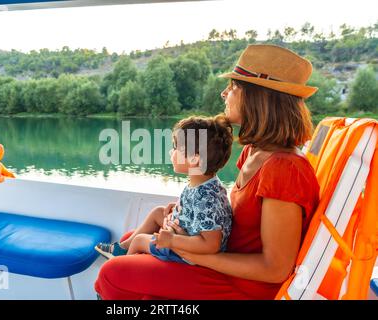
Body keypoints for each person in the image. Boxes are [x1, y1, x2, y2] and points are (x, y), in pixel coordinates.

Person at [94, 44, 321, 300]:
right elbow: (232, 217)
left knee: (113, 272)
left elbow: (275, 269)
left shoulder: (285, 169)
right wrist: (188, 221)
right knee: (131, 239)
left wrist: (193, 252)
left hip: (244, 286)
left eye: (234, 87)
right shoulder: (254, 152)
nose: (224, 93)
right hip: (221, 260)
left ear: (259, 97)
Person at [95, 115, 233, 265]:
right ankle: (122, 248)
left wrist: (173, 240)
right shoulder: (205, 182)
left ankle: (120, 266)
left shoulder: (206, 198)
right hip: (187, 232)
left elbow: (211, 245)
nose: (171, 152)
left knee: (140, 240)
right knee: (158, 213)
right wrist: (181, 208)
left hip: (189, 254)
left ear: (194, 158)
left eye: (175, 148)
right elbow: (202, 214)